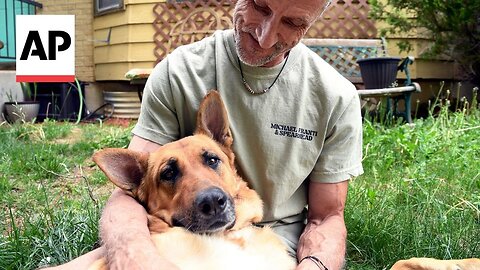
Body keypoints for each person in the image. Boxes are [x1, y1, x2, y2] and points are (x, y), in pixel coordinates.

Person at [50, 0, 363, 269]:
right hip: (176, 235)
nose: (265, 37)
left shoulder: (336, 96)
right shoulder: (177, 72)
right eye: (259, 5)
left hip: (271, 244)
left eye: (293, 22)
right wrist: (135, 256)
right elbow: (133, 191)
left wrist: (313, 265)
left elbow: (326, 218)